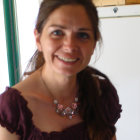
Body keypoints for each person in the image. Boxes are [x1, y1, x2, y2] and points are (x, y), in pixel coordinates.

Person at [0, 0, 122, 139]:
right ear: (38, 39)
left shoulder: (102, 94)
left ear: (94, 44)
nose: (69, 46)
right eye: (57, 32)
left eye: (82, 35)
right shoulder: (14, 108)